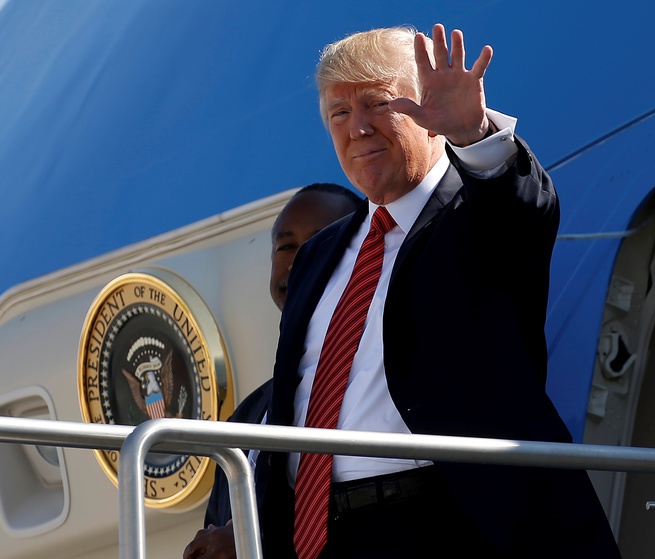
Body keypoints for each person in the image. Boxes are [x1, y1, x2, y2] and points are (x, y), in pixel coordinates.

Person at [259, 23, 622, 559]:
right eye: (340, 112)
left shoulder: (477, 215)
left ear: (427, 108)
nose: (357, 127)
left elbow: (522, 208)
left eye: (378, 104)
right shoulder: (322, 254)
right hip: (322, 536)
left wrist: (473, 133)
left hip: (450, 525)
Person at [184, 183, 362, 559]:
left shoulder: (375, 383)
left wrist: (253, 543)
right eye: (285, 247)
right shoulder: (245, 420)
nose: (299, 260)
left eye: (321, 240)